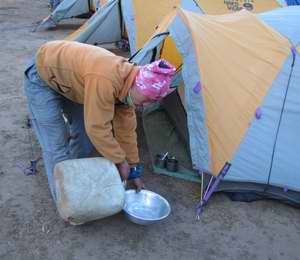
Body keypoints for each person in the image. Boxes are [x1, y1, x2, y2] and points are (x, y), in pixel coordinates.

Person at [23, 40, 176, 201]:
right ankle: (67, 203)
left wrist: (132, 169)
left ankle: (72, 174)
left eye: (150, 102)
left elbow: (126, 132)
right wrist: (119, 160)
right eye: (145, 100)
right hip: (42, 74)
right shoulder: (106, 79)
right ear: (137, 85)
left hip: (74, 82)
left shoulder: (129, 90)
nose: (144, 106)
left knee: (83, 135)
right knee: (56, 145)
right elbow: (97, 128)